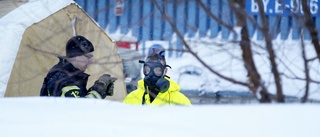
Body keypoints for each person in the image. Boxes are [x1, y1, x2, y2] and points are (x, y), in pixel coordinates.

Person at [40, 35, 117, 99]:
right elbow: (80, 108)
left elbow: (80, 98)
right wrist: (98, 89)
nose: (91, 61)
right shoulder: (64, 78)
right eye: (88, 57)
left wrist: (102, 92)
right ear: (76, 56)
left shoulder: (69, 74)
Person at [123, 46, 191, 105]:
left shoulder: (180, 101)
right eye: (147, 69)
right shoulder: (131, 99)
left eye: (157, 70)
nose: (151, 74)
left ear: (165, 71)